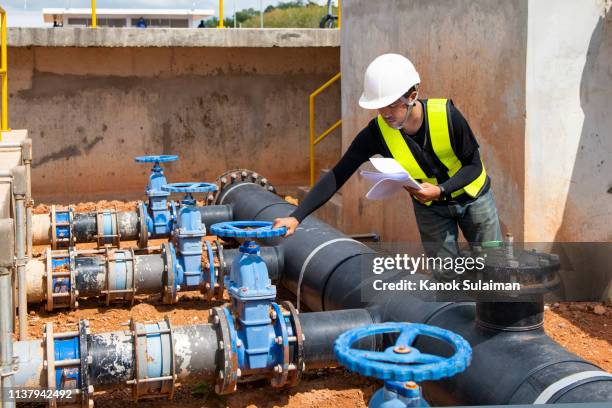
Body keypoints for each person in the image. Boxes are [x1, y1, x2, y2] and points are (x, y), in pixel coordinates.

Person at [273, 53, 502, 258]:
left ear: (412, 96)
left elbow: (473, 166)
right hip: (431, 208)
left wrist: (441, 189)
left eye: (391, 106)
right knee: (446, 274)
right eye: (379, 107)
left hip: (474, 197)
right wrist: (296, 216)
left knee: (494, 264)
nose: (385, 114)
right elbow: (338, 173)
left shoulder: (447, 115)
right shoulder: (376, 133)